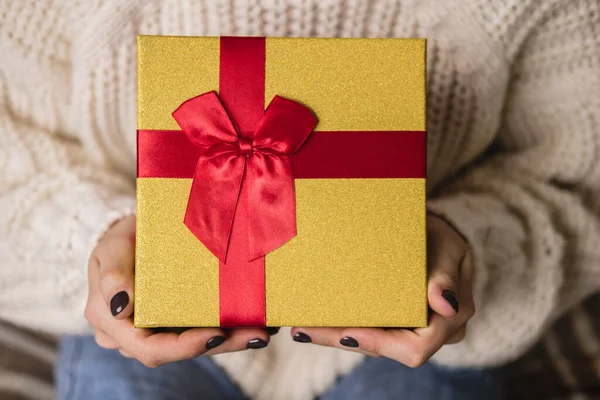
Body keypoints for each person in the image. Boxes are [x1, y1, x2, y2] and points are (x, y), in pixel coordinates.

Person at [1, 0, 598, 399]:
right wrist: (94, 245)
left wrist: (469, 251)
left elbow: (578, 184)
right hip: (152, 322)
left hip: (411, 336)